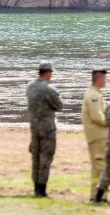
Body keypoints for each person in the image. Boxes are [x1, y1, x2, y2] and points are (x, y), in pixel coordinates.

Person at [26, 61, 63, 197]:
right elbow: (59, 106)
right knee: (46, 158)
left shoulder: (30, 87)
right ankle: (42, 189)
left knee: (35, 157)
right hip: (47, 128)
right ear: (47, 73)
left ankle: (36, 187)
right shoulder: (49, 89)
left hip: (34, 128)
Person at [81, 68, 109, 202]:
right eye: (105, 78)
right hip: (98, 135)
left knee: (97, 167)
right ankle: (100, 196)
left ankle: (95, 194)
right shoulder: (94, 95)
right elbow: (97, 116)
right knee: (101, 165)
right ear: (99, 79)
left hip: (96, 135)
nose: (106, 80)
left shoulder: (95, 93)